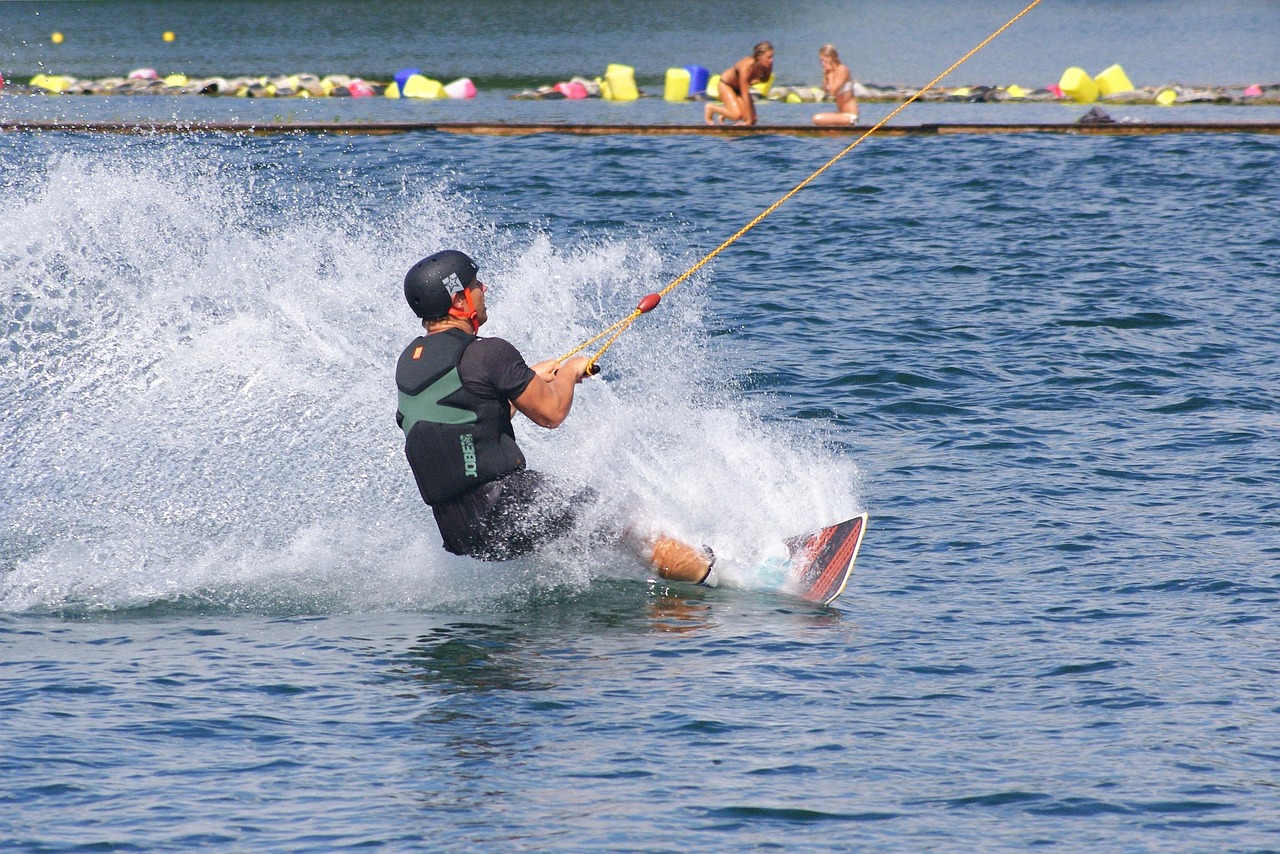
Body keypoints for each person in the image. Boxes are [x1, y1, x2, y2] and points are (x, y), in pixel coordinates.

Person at [395, 250, 715, 584]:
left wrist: (527, 378)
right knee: (621, 513)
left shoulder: (410, 362)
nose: (485, 289)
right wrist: (570, 372)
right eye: (476, 285)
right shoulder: (489, 352)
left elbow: (468, 417)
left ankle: (663, 571)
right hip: (507, 506)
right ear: (459, 300)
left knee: (592, 532)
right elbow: (552, 413)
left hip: (461, 532)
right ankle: (716, 574)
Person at [704, 41, 774, 126]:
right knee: (737, 115)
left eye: (772, 57)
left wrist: (749, 121)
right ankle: (711, 108)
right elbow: (745, 94)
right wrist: (747, 121)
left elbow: (765, 79)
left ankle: (726, 112)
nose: (771, 60)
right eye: (769, 57)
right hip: (726, 85)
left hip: (739, 89)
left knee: (753, 120)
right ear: (759, 56)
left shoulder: (767, 65)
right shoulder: (746, 67)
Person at [812, 44, 859, 125]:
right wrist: (826, 74)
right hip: (840, 114)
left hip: (851, 116)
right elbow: (826, 91)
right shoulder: (831, 72)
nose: (822, 63)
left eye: (822, 60)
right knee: (819, 120)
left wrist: (829, 74)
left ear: (830, 58)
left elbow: (832, 92)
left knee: (817, 118)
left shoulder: (842, 69)